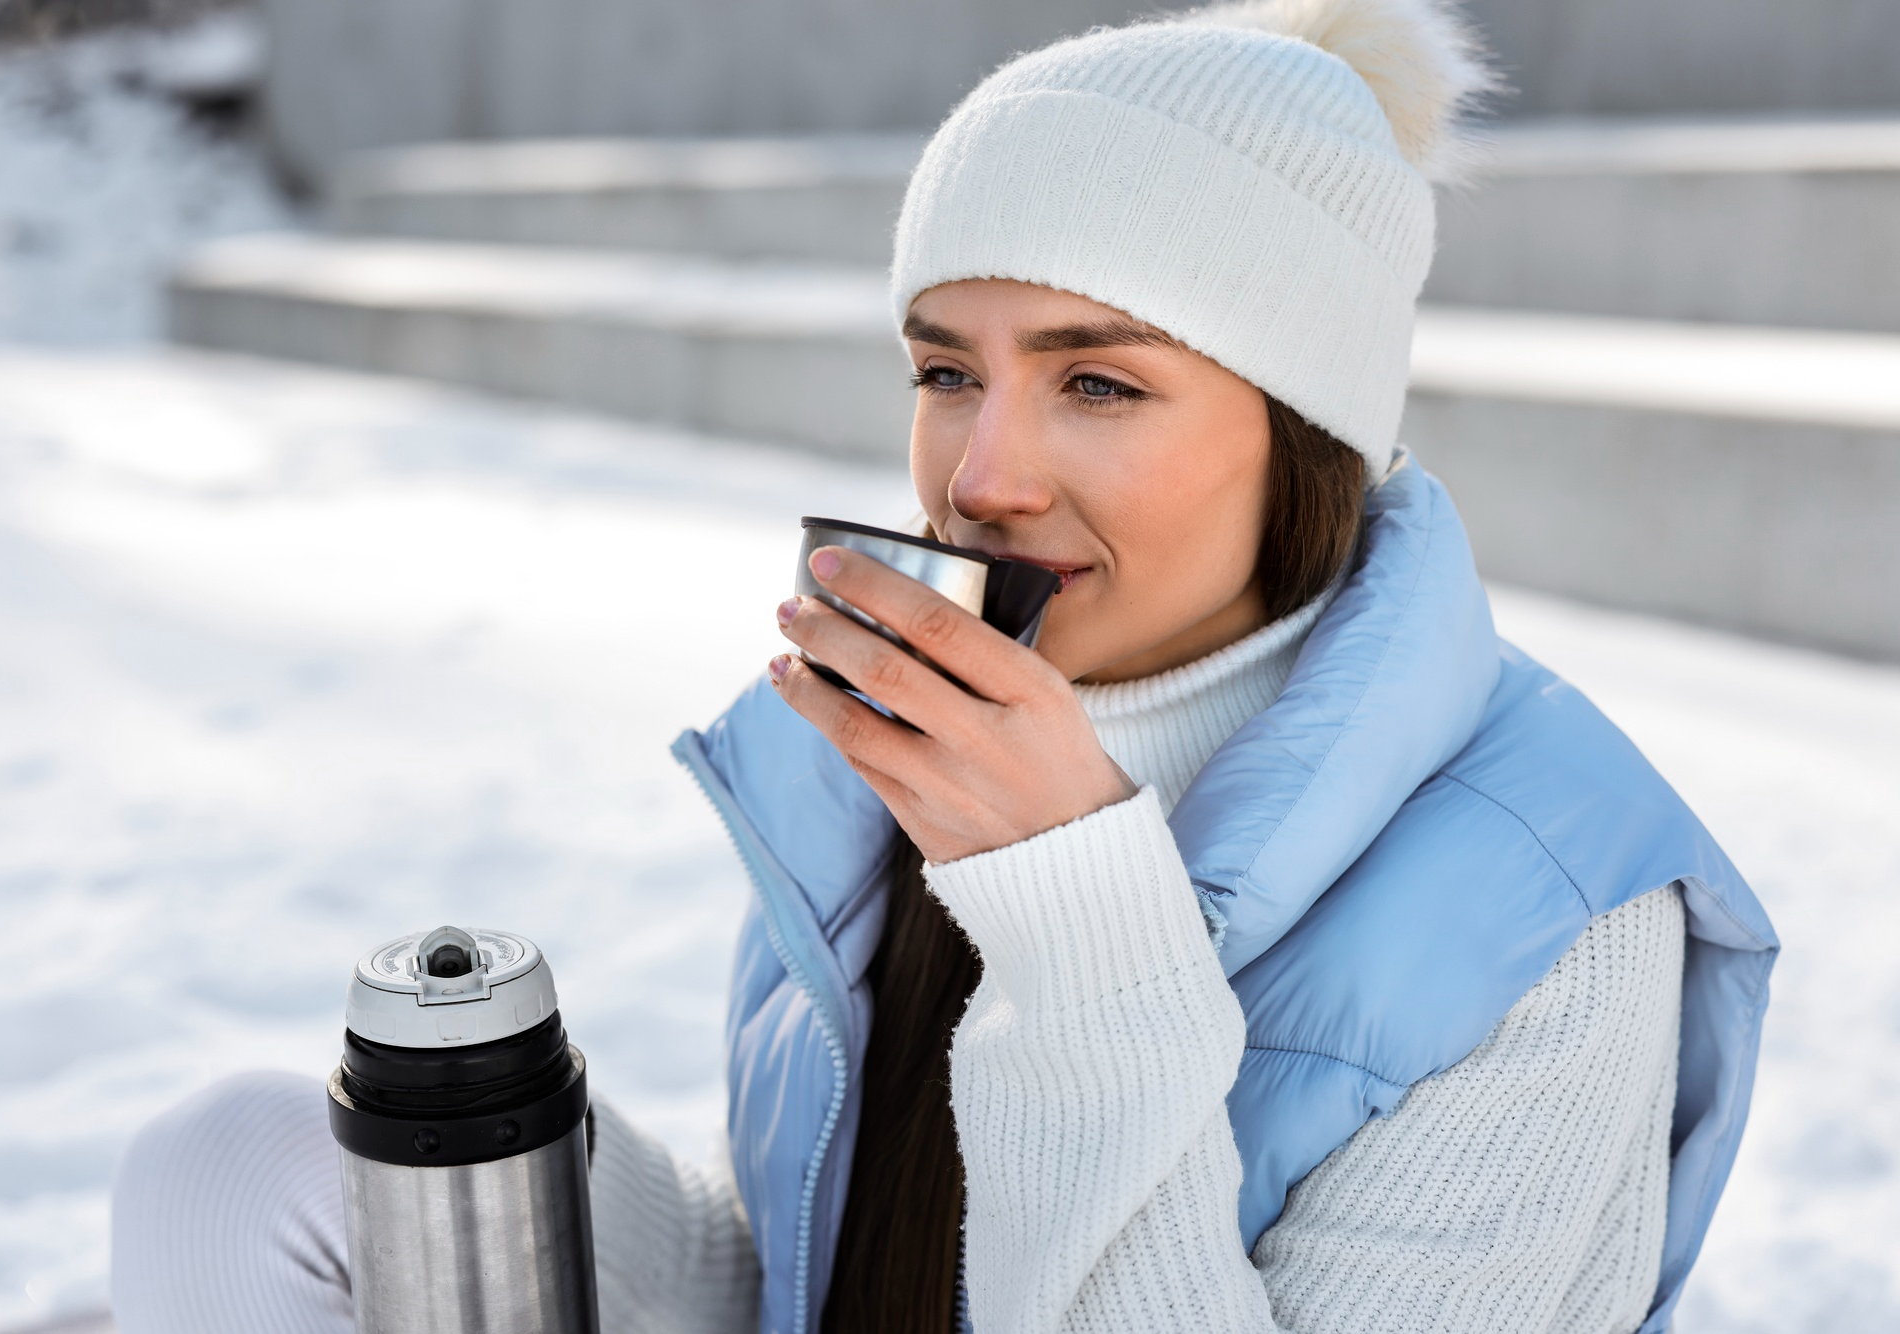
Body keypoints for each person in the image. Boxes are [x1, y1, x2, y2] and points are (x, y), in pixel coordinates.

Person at [109, 2, 1779, 1332]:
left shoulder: (1555, 920)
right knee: (240, 1166)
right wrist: (505, 1138)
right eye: (941, 369)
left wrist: (1076, 908)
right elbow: (807, 1271)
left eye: (1098, 384)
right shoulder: (926, 739)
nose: (980, 477)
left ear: (1306, 427)